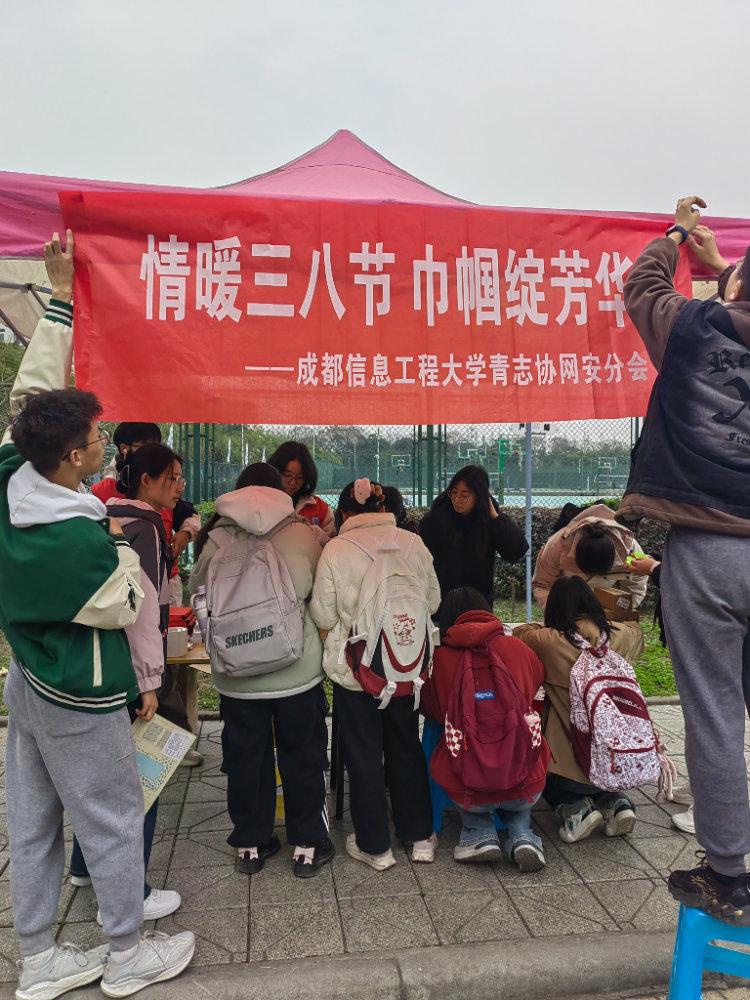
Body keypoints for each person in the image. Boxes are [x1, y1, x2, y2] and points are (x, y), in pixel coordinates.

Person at [0, 231, 194, 999]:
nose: (102, 446)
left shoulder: (10, 478)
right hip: (79, 691)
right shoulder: (79, 541)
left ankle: (38, 957)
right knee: (111, 815)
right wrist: (119, 543)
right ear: (73, 459)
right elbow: (125, 603)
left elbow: (27, 401)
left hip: (27, 678)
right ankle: (124, 951)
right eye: (93, 442)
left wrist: (58, 302)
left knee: (34, 820)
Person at [618, 196, 750, 921]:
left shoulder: (693, 328)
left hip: (710, 551)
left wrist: (676, 236)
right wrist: (724, 265)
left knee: (715, 713)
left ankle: (728, 874)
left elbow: (642, 286)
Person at [190, 463, 334, 877]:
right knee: (303, 756)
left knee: (245, 760)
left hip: (237, 678)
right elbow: (321, 599)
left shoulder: (215, 538)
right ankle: (307, 845)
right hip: (297, 673)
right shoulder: (302, 535)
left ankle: (251, 844)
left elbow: (197, 596)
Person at [69, 444, 187, 922]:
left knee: (100, 776)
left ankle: (83, 866)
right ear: (147, 481)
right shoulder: (146, 528)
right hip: (127, 669)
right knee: (137, 781)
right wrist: (149, 680)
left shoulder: (100, 514)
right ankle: (130, 892)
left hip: (95, 663)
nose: (179, 487)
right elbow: (141, 609)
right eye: (172, 478)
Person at [310, 479, 440, 870]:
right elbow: (433, 600)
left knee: (363, 755)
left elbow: (323, 615)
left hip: (358, 671)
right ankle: (420, 837)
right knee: (406, 746)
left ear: (344, 513)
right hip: (405, 667)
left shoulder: (336, 549)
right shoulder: (413, 543)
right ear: (384, 508)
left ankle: (375, 846)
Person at [421, 587, 550, 869]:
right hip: (524, 781)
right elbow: (537, 683)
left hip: (471, 784)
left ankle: (478, 833)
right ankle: (522, 834)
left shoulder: (441, 659)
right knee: (522, 774)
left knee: (448, 755)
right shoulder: (518, 648)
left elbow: (431, 709)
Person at [515, 577, 644, 844]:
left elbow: (520, 633)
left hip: (572, 762)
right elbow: (636, 628)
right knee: (602, 781)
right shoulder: (622, 635)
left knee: (543, 775)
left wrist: (545, 624)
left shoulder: (549, 641)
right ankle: (617, 804)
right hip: (616, 758)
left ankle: (576, 810)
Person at [92, 422, 201, 608]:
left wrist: (185, 533)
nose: (178, 487)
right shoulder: (100, 495)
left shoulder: (165, 497)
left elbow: (190, 515)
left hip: (165, 581)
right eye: (147, 446)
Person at [419, 465, 527, 612]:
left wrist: (495, 518)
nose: (457, 499)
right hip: (441, 604)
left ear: (479, 496)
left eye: (464, 495)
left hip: (479, 603)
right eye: (453, 492)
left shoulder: (488, 519)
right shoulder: (435, 519)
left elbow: (516, 551)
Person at [532, 503, 647, 610]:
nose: (594, 576)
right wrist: (560, 613)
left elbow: (638, 581)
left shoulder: (629, 548)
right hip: (568, 604)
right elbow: (543, 585)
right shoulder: (556, 546)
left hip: (609, 606)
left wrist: (620, 609)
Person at [268, 440, 335, 537]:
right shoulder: (260, 503)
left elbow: (332, 541)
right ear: (275, 471)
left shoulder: (320, 508)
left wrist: (314, 534)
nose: (293, 482)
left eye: (300, 477)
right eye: (287, 475)